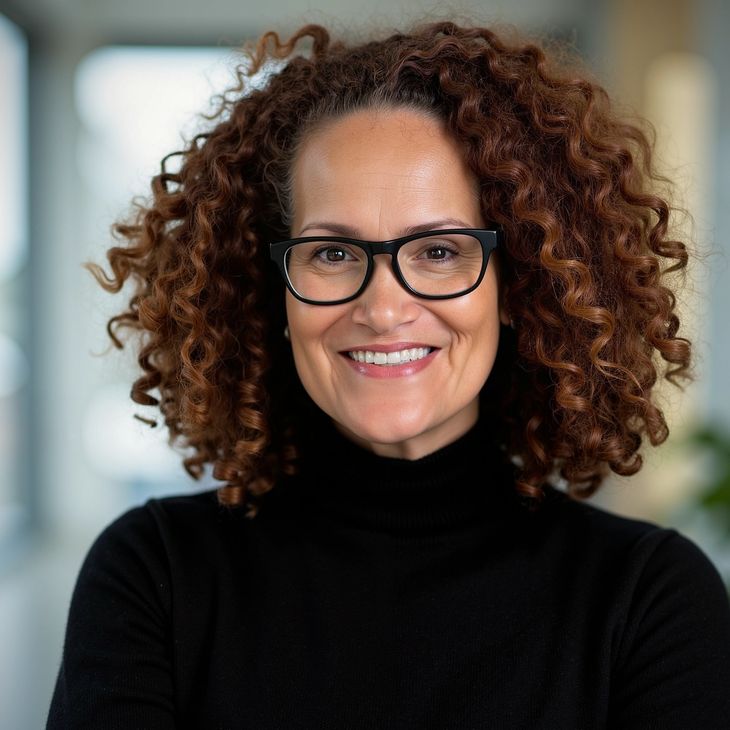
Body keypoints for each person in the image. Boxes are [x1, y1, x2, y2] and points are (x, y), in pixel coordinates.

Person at [47, 19, 730, 729]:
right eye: (332, 255)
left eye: (438, 251)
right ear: (273, 289)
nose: (381, 308)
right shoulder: (154, 574)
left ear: (518, 284)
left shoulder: (647, 598)